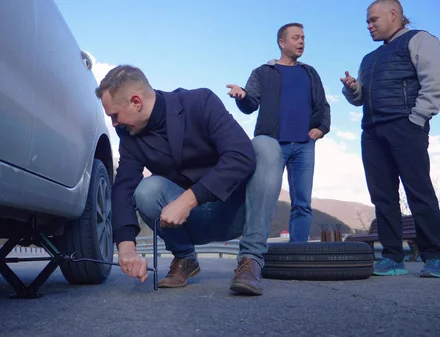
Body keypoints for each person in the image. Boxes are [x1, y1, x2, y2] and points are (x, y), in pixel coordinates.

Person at [95, 65, 284, 296]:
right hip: (187, 223)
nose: (114, 124)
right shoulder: (129, 135)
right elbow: (124, 186)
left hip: (234, 211)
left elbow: (240, 156)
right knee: (147, 189)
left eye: (114, 115)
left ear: (136, 101)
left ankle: (250, 260)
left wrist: (188, 199)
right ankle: (185, 258)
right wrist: (125, 246)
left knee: (266, 146)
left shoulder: (200, 102)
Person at [341, 0, 440, 277]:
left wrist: (417, 119)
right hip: (372, 132)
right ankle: (392, 257)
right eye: (367, 21)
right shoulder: (369, 59)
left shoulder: (420, 39)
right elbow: (360, 100)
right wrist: (353, 90)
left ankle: (435, 256)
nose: (369, 26)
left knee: (419, 191)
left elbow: (435, 81)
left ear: (394, 15)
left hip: (406, 126)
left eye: (373, 19)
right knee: (382, 196)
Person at [226, 23, 331, 243]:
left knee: (302, 203)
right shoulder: (263, 72)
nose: (301, 41)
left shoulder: (310, 72)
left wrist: (321, 129)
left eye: (303, 37)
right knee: (264, 200)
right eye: (295, 38)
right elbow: (251, 104)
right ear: (282, 43)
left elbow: (322, 105)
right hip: (272, 147)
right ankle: (255, 254)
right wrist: (242, 96)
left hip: (304, 145)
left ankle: (298, 254)